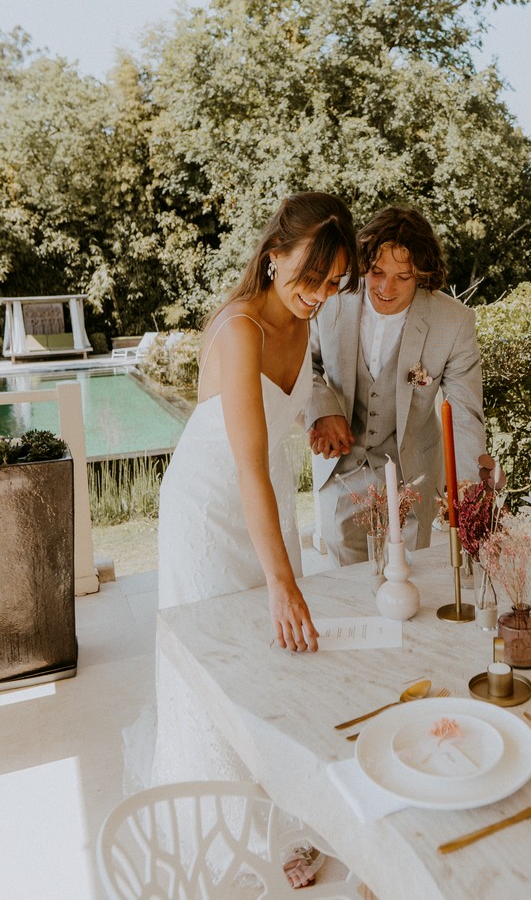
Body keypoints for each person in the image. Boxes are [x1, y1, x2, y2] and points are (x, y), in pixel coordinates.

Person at [144, 194, 360, 875]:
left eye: (332, 284)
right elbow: (244, 463)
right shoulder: (238, 330)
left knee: (278, 663)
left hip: (266, 503)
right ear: (272, 255)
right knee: (222, 663)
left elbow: (294, 396)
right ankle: (222, 828)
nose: (320, 295)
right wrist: (283, 580)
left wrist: (317, 419)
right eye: (311, 278)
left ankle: (281, 815)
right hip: (212, 511)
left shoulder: (304, 321)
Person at [308, 205, 485, 566]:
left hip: (412, 478)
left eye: (402, 277)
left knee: (407, 587)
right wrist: (322, 409)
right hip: (341, 474)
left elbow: (465, 412)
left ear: (422, 275)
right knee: (349, 590)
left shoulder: (453, 322)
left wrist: (469, 493)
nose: (386, 288)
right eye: (375, 272)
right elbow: (299, 366)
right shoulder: (329, 297)